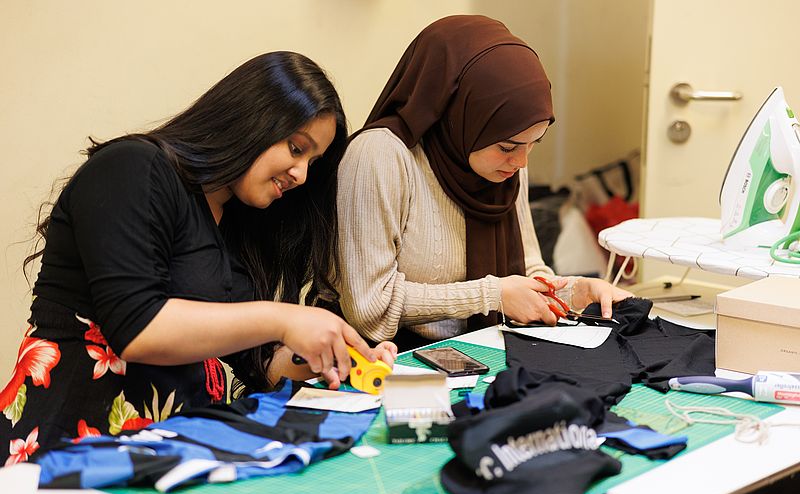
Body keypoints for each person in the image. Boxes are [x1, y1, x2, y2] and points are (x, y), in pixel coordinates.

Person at [0, 51, 396, 465]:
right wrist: (286, 318)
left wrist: (330, 358)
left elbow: (259, 363)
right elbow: (136, 329)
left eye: (312, 162)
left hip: (164, 448)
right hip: (65, 446)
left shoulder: (236, 218)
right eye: (296, 148)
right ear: (250, 118)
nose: (301, 174)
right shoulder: (132, 168)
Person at [336, 15, 632, 351]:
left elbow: (527, 268)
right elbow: (368, 307)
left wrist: (575, 291)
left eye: (535, 143)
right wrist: (492, 295)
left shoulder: (501, 167)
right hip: (381, 359)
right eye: (507, 147)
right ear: (460, 114)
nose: (522, 163)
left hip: (474, 350)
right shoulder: (381, 156)